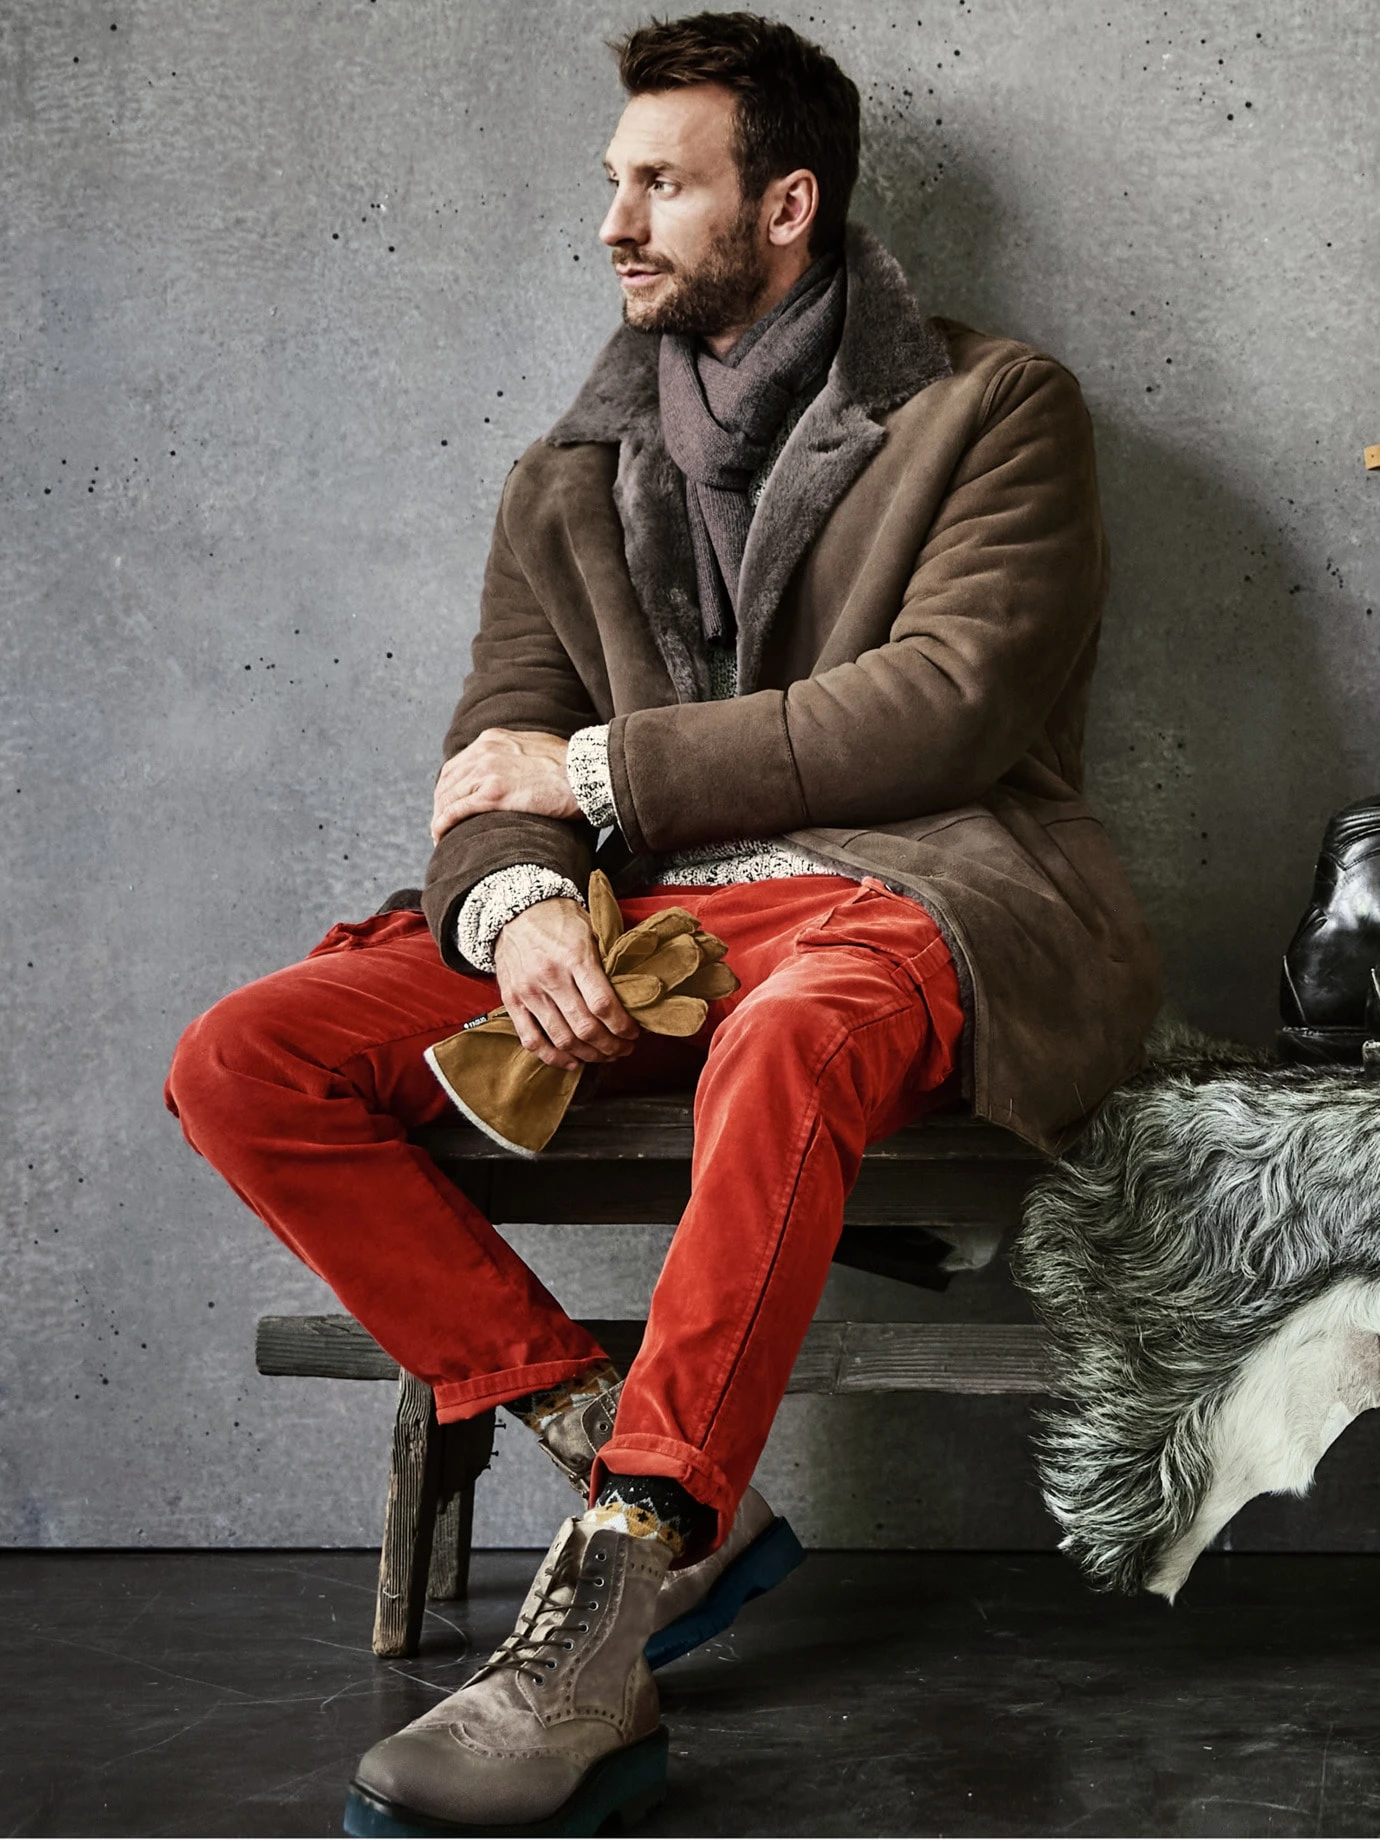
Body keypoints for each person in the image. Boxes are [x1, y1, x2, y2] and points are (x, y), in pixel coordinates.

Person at [165, 11, 1161, 1834]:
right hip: (634, 925)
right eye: (613, 182)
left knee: (791, 1041)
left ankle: (613, 1600)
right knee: (248, 1059)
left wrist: (599, 777)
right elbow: (494, 753)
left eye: (659, 184)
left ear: (786, 206)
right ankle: (623, 1460)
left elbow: (946, 706)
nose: (614, 222)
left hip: (909, 891)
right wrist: (524, 902)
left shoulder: (996, 406)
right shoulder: (570, 469)